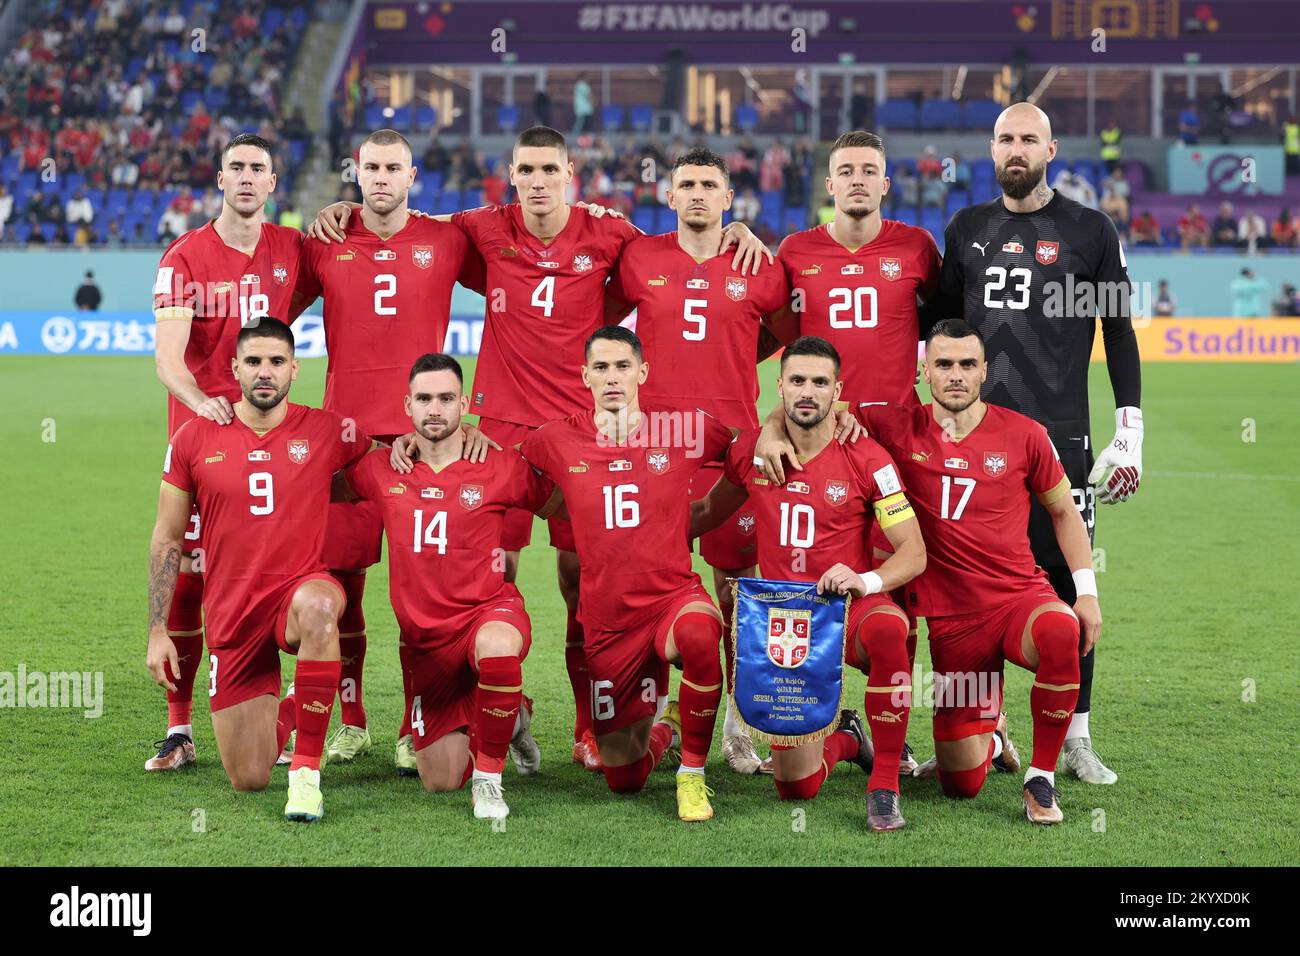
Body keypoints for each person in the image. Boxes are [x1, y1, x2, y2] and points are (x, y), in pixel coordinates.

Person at [311, 126, 770, 773]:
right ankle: (491, 711)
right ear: (513, 176)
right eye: (525, 170)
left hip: (578, 434)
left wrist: (733, 235)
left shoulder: (609, 234)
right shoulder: (485, 227)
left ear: (570, 173)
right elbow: (410, 221)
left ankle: (591, 725)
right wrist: (348, 210)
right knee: (480, 576)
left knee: (584, 578)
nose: (537, 181)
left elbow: (678, 258)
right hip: (497, 432)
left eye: (548, 170)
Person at [923, 103, 1142, 785]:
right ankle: (980, 733)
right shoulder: (966, 229)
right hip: (969, 444)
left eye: (1029, 139)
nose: (1017, 149)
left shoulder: (1089, 230)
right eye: (1006, 139)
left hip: (1061, 442)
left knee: (1069, 584)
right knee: (961, 592)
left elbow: (1120, 331)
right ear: (992, 149)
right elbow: (937, 335)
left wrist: (1130, 431)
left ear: (1051, 147)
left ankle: (1076, 736)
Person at [289, 128, 491, 772]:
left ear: (413, 176)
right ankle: (352, 722)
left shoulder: (448, 239)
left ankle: (417, 723)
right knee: (339, 582)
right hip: (346, 442)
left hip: (425, 441)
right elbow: (266, 318)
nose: (379, 177)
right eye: (370, 166)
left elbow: (527, 266)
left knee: (421, 590)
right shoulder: (324, 243)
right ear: (356, 172)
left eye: (392, 167)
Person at [858, 320, 1100, 825]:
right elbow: (813, 410)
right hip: (954, 622)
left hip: (1017, 599)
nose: (956, 375)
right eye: (943, 364)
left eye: (967, 365)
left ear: (985, 371)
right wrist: (771, 430)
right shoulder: (894, 426)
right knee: (960, 783)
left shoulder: (1024, 433)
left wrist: (1087, 592)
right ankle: (992, 734)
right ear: (924, 371)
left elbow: (1063, 512)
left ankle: (1042, 779)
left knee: (1060, 630)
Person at [603, 147, 789, 774]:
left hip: (733, 450)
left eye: (711, 185)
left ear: (730, 198)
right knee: (648, 585)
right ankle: (654, 708)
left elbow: (788, 339)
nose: (699, 195)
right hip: (655, 453)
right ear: (670, 196)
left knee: (735, 591)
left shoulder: (757, 265)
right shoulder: (640, 258)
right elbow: (596, 323)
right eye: (688, 184)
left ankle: (736, 722)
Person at [764, 129, 943, 775]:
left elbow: (947, 324)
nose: (859, 179)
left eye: (871, 170)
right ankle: (814, 713)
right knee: (805, 570)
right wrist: (769, 422)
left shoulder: (917, 248)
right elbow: (768, 335)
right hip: (818, 442)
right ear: (830, 184)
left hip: (898, 441)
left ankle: (899, 730)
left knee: (906, 584)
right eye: (847, 171)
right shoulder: (796, 251)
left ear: (886, 183)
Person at [692, 336, 926, 830]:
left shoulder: (868, 459)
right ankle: (848, 740)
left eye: (820, 383)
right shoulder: (754, 453)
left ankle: (884, 784)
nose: (807, 391)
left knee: (890, 631)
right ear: (779, 386)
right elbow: (711, 510)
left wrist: (864, 580)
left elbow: (914, 551)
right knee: (796, 786)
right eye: (797, 380)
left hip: (847, 608)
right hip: (788, 621)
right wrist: (647, 539)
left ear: (837, 390)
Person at [146, 317, 375, 821]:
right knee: (249, 777)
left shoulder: (328, 429)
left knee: (320, 608)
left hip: (299, 592)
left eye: (276, 362)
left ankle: (306, 777)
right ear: (235, 369)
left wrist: (443, 443)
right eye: (253, 362)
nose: (264, 373)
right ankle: (297, 705)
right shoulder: (193, 437)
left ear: (295, 368)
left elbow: (395, 462)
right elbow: (166, 538)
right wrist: (158, 630)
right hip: (232, 611)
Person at [520, 326, 733, 822]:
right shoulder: (554, 440)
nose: (612, 377)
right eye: (601, 368)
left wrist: (702, 512)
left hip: (672, 599)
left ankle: (693, 776)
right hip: (610, 620)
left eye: (622, 367)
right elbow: (505, 478)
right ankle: (670, 728)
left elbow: (746, 456)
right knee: (624, 778)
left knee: (702, 635)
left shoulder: (684, 430)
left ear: (642, 372)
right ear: (585, 376)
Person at [146, 132, 304, 773]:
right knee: (189, 572)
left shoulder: (292, 250)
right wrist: (203, 401)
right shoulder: (184, 257)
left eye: (257, 169)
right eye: (235, 167)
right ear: (219, 178)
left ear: (273, 183)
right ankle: (178, 729)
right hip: (203, 443)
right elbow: (167, 358)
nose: (245, 177)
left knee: (280, 575)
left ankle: (290, 709)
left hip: (272, 435)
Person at [335, 353, 548, 819]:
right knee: (439, 781)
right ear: (407, 405)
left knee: (496, 648)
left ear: (464, 405)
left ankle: (490, 781)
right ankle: (513, 716)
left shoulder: (500, 465)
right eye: (425, 399)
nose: (435, 409)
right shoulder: (380, 469)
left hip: (487, 612)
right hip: (428, 646)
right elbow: (325, 485)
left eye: (447, 398)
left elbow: (564, 501)